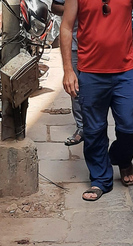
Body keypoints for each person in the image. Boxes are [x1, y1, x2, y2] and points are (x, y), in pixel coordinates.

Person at [60, 0, 133, 201]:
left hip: (125, 72)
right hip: (90, 72)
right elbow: (66, 27)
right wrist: (68, 69)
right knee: (93, 130)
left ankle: (122, 158)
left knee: (129, 127)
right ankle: (100, 179)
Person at [51, 0, 83, 146]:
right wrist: (74, 8)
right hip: (75, 43)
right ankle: (82, 127)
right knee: (76, 89)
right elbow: (55, 7)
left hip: (98, 48)